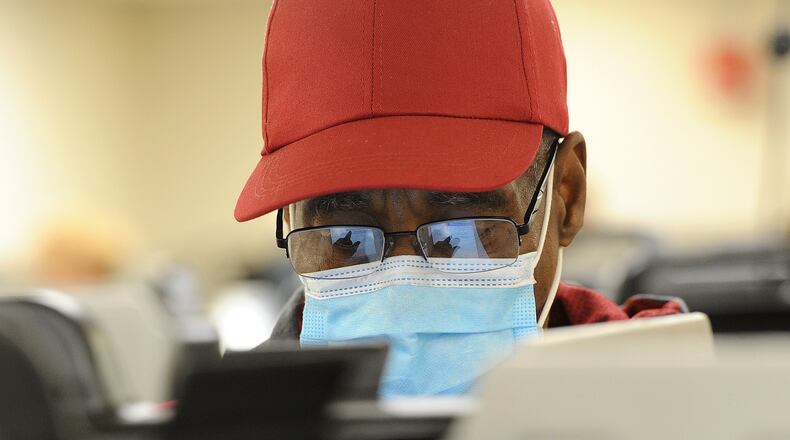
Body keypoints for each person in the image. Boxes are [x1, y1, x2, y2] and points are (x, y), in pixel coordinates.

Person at [235, 0, 686, 397]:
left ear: (567, 195)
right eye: (345, 239)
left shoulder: (688, 411)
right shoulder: (216, 428)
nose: (402, 296)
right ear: (290, 219)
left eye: (463, 232)